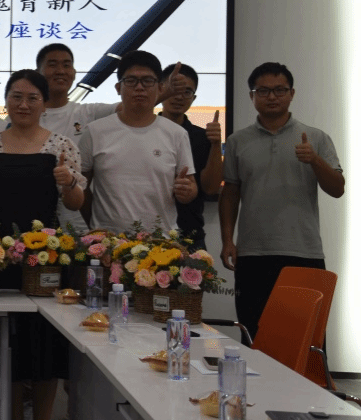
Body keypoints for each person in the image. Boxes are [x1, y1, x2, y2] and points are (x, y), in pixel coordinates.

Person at [0, 69, 85, 420]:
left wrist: (68, 182)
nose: (23, 104)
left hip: (47, 259)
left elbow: (75, 203)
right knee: (8, 347)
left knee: (45, 349)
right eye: (16, 97)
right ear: (6, 101)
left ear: (44, 103)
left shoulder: (61, 145)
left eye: (32, 98)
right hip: (1, 259)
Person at [219, 62, 344, 342]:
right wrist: (228, 240)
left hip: (303, 252)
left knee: (305, 341)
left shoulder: (316, 138)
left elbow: (337, 189)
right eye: (263, 91)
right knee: (255, 337)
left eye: (280, 90)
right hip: (252, 254)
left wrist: (315, 160)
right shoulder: (238, 141)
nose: (272, 97)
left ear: (292, 93)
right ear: (252, 96)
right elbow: (230, 194)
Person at [36, 43, 188, 234]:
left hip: (83, 228)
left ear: (74, 72)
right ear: (38, 71)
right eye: (52, 64)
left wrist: (164, 91)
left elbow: (133, 107)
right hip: (38, 219)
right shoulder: (25, 118)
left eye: (67, 65)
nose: (60, 71)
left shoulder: (89, 113)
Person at [78, 50, 197, 232]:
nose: (139, 87)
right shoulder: (94, 131)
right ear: (118, 88)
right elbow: (80, 187)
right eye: (131, 81)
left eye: (148, 81)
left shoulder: (177, 134)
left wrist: (188, 191)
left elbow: (190, 185)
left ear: (160, 88)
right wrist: (96, 226)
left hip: (161, 243)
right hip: (107, 242)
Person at [156, 63, 223, 251]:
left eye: (187, 92)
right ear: (161, 90)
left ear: (193, 98)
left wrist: (216, 144)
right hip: (149, 235)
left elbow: (211, 188)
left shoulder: (202, 137)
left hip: (190, 235)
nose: (179, 97)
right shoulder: (144, 132)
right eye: (174, 89)